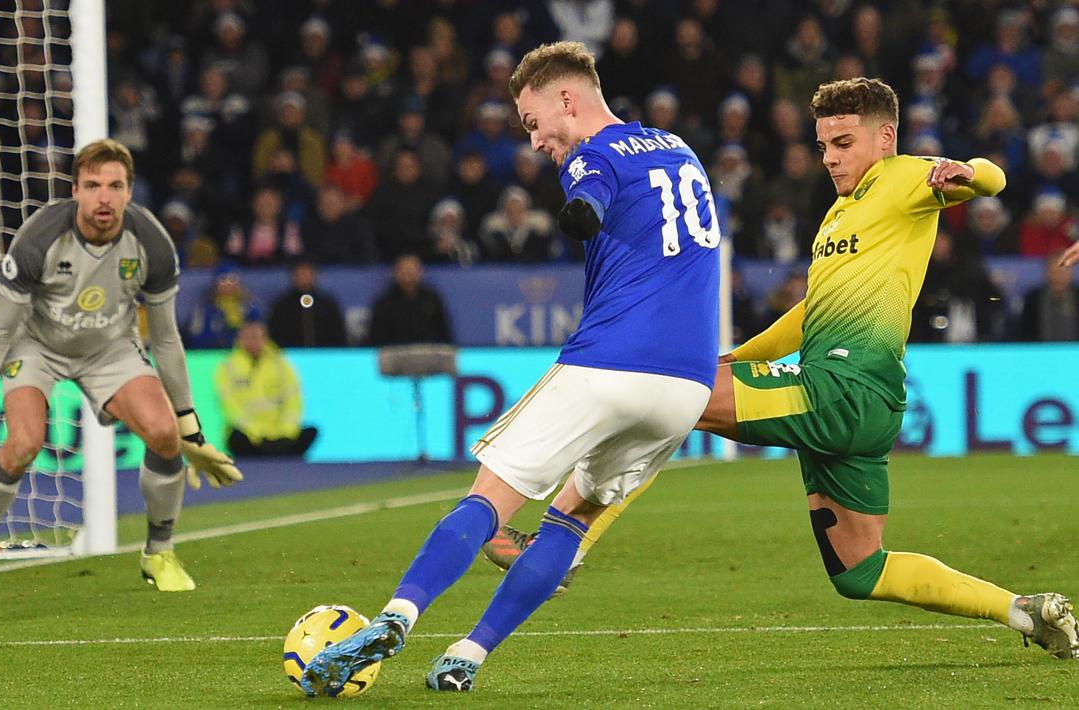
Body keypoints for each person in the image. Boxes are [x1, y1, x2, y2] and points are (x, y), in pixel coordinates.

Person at [484, 77, 1079, 661]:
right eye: (822, 145)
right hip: (861, 405)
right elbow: (809, 314)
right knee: (861, 571)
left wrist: (965, 171)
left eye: (843, 143)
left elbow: (993, 179)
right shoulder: (841, 216)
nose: (829, 158)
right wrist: (734, 360)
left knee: (667, 399)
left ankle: (565, 546)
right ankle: (1024, 610)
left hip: (842, 388)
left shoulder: (904, 178)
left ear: (885, 137)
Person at [300, 41, 721, 696]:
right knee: (571, 519)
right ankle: (466, 655)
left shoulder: (592, 154)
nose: (535, 142)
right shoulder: (678, 148)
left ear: (566, 99)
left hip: (613, 362)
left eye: (532, 123)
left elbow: (588, 196)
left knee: (486, 502)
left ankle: (395, 616)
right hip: (687, 387)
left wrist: (579, 211)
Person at [0, 139, 243, 603]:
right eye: (92, 186)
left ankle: (159, 552)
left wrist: (190, 428)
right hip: (36, 345)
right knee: (23, 444)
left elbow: (167, 339)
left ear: (130, 191)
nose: (104, 198)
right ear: (75, 190)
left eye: (115, 186)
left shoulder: (151, 242)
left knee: (164, 434)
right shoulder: (39, 238)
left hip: (109, 347)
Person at [216, 312, 318, 457]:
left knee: (311, 431)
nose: (252, 341)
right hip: (249, 435)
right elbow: (229, 407)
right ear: (239, 340)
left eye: (256, 336)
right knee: (236, 438)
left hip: (280, 432)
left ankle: (282, 448)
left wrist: (285, 432)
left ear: (265, 338)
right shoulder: (228, 367)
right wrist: (257, 434)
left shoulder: (281, 365)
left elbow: (294, 402)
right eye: (247, 337)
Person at [367, 253, 453, 346]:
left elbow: (443, 333)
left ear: (420, 272)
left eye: (411, 270)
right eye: (403, 270)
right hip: (394, 350)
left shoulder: (432, 299)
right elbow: (376, 338)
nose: (407, 274)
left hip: (427, 350)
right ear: (395, 273)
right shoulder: (384, 302)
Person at [266, 259, 347, 347]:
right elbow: (275, 334)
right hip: (290, 353)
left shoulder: (327, 304)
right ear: (293, 276)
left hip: (324, 353)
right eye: (300, 273)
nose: (304, 277)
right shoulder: (282, 305)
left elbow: (338, 334)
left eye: (308, 273)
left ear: (315, 275)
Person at [1018, 251, 1079, 341]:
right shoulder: (1033, 298)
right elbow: (1025, 332)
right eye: (1056, 270)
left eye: (1064, 270)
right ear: (1047, 272)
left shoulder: (1077, 295)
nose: (1060, 274)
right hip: (1041, 349)